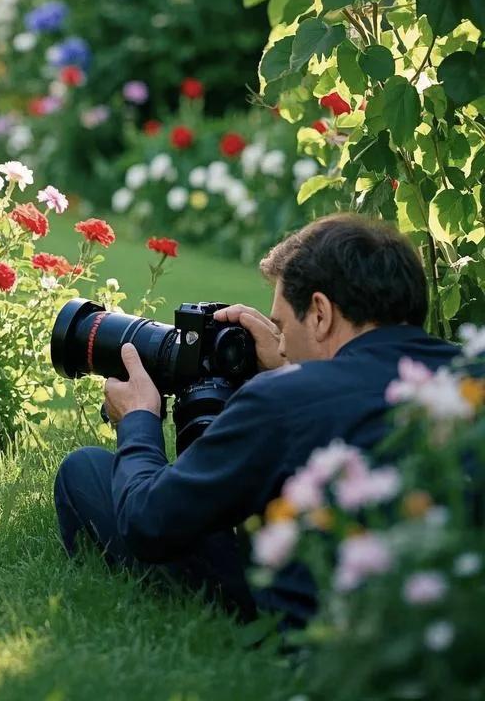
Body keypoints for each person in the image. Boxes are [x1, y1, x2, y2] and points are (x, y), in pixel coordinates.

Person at [53, 213, 459, 627]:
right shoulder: (468, 375)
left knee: (84, 470)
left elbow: (147, 522)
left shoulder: (283, 400)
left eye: (281, 326)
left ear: (320, 312)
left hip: (340, 623)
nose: (280, 343)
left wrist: (139, 420)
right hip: (451, 602)